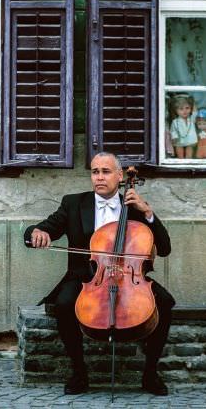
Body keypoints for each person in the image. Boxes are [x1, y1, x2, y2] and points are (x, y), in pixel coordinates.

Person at [24, 152, 175, 396]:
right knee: (64, 305)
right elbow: (45, 227)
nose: (99, 177)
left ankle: (150, 374)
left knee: (165, 303)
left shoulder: (134, 208)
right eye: (95, 172)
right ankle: (79, 372)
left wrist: (147, 212)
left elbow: (165, 248)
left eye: (106, 172)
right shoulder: (73, 203)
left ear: (119, 176)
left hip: (130, 276)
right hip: (86, 277)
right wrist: (37, 232)